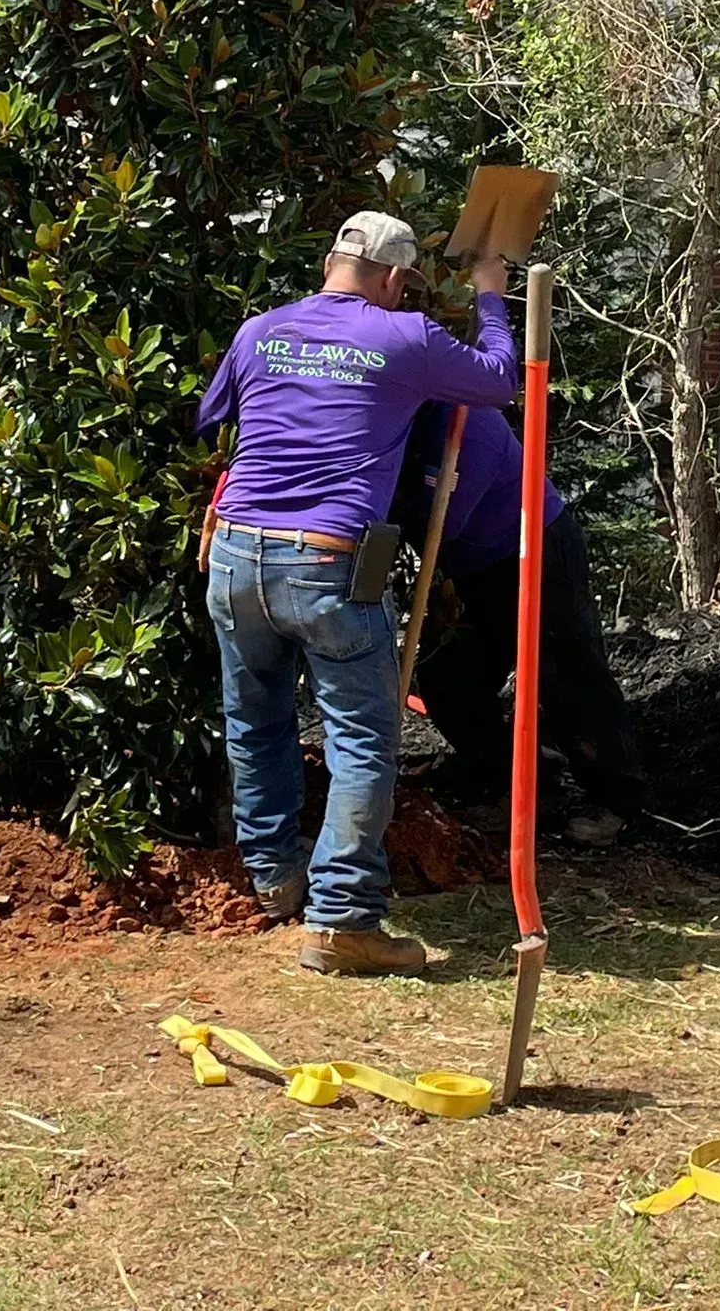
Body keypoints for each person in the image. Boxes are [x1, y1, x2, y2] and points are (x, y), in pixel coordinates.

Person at [197, 210, 518, 976]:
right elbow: (500, 381)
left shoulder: (259, 331)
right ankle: (341, 921)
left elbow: (212, 417)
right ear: (395, 279)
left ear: (332, 263)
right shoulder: (403, 336)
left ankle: (277, 880)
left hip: (236, 555)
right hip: (327, 560)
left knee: (256, 722)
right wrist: (491, 294)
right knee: (363, 739)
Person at [394, 403, 642, 843]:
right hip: (471, 568)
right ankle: (525, 778)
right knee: (446, 676)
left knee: (567, 677)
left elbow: (443, 522)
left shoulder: (471, 427)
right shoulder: (395, 419)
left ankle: (616, 800)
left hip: (535, 552)